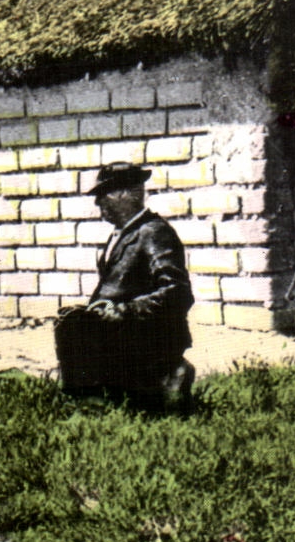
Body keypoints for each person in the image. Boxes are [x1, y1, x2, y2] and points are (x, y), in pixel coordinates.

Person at [55, 162, 195, 408]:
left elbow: (178, 293)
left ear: (129, 194)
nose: (98, 203)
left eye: (103, 195)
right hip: (122, 330)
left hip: (146, 333)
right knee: (71, 322)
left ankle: (165, 373)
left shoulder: (153, 233)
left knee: (77, 328)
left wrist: (123, 311)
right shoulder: (122, 234)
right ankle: (88, 396)